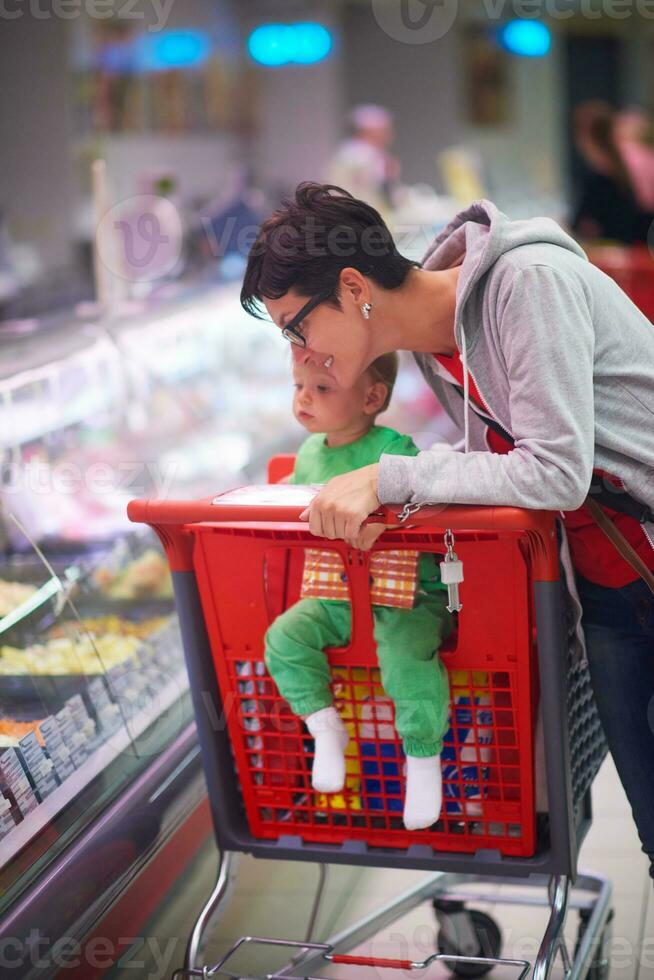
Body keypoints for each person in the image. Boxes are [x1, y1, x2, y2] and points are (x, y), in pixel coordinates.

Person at [240, 182, 654, 879]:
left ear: (351, 286)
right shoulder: (442, 346)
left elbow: (553, 470)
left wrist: (393, 481)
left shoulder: (528, 284)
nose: (298, 353)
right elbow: (500, 465)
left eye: (296, 325)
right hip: (612, 591)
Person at [264, 353, 452, 831]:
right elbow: (291, 495)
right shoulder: (308, 453)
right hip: (334, 593)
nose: (304, 397)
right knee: (284, 637)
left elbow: (432, 489)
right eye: (298, 385)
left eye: (322, 388)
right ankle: (326, 728)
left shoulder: (394, 449)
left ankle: (424, 763)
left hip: (403, 594)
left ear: (372, 397)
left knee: (407, 661)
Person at [570, 100, 650, 244]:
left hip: (611, 255)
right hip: (634, 248)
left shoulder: (599, 176)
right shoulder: (622, 166)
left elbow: (582, 225)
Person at [326, 104, 401, 216]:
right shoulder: (354, 156)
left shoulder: (378, 155)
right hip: (357, 214)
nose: (389, 135)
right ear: (368, 131)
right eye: (384, 130)